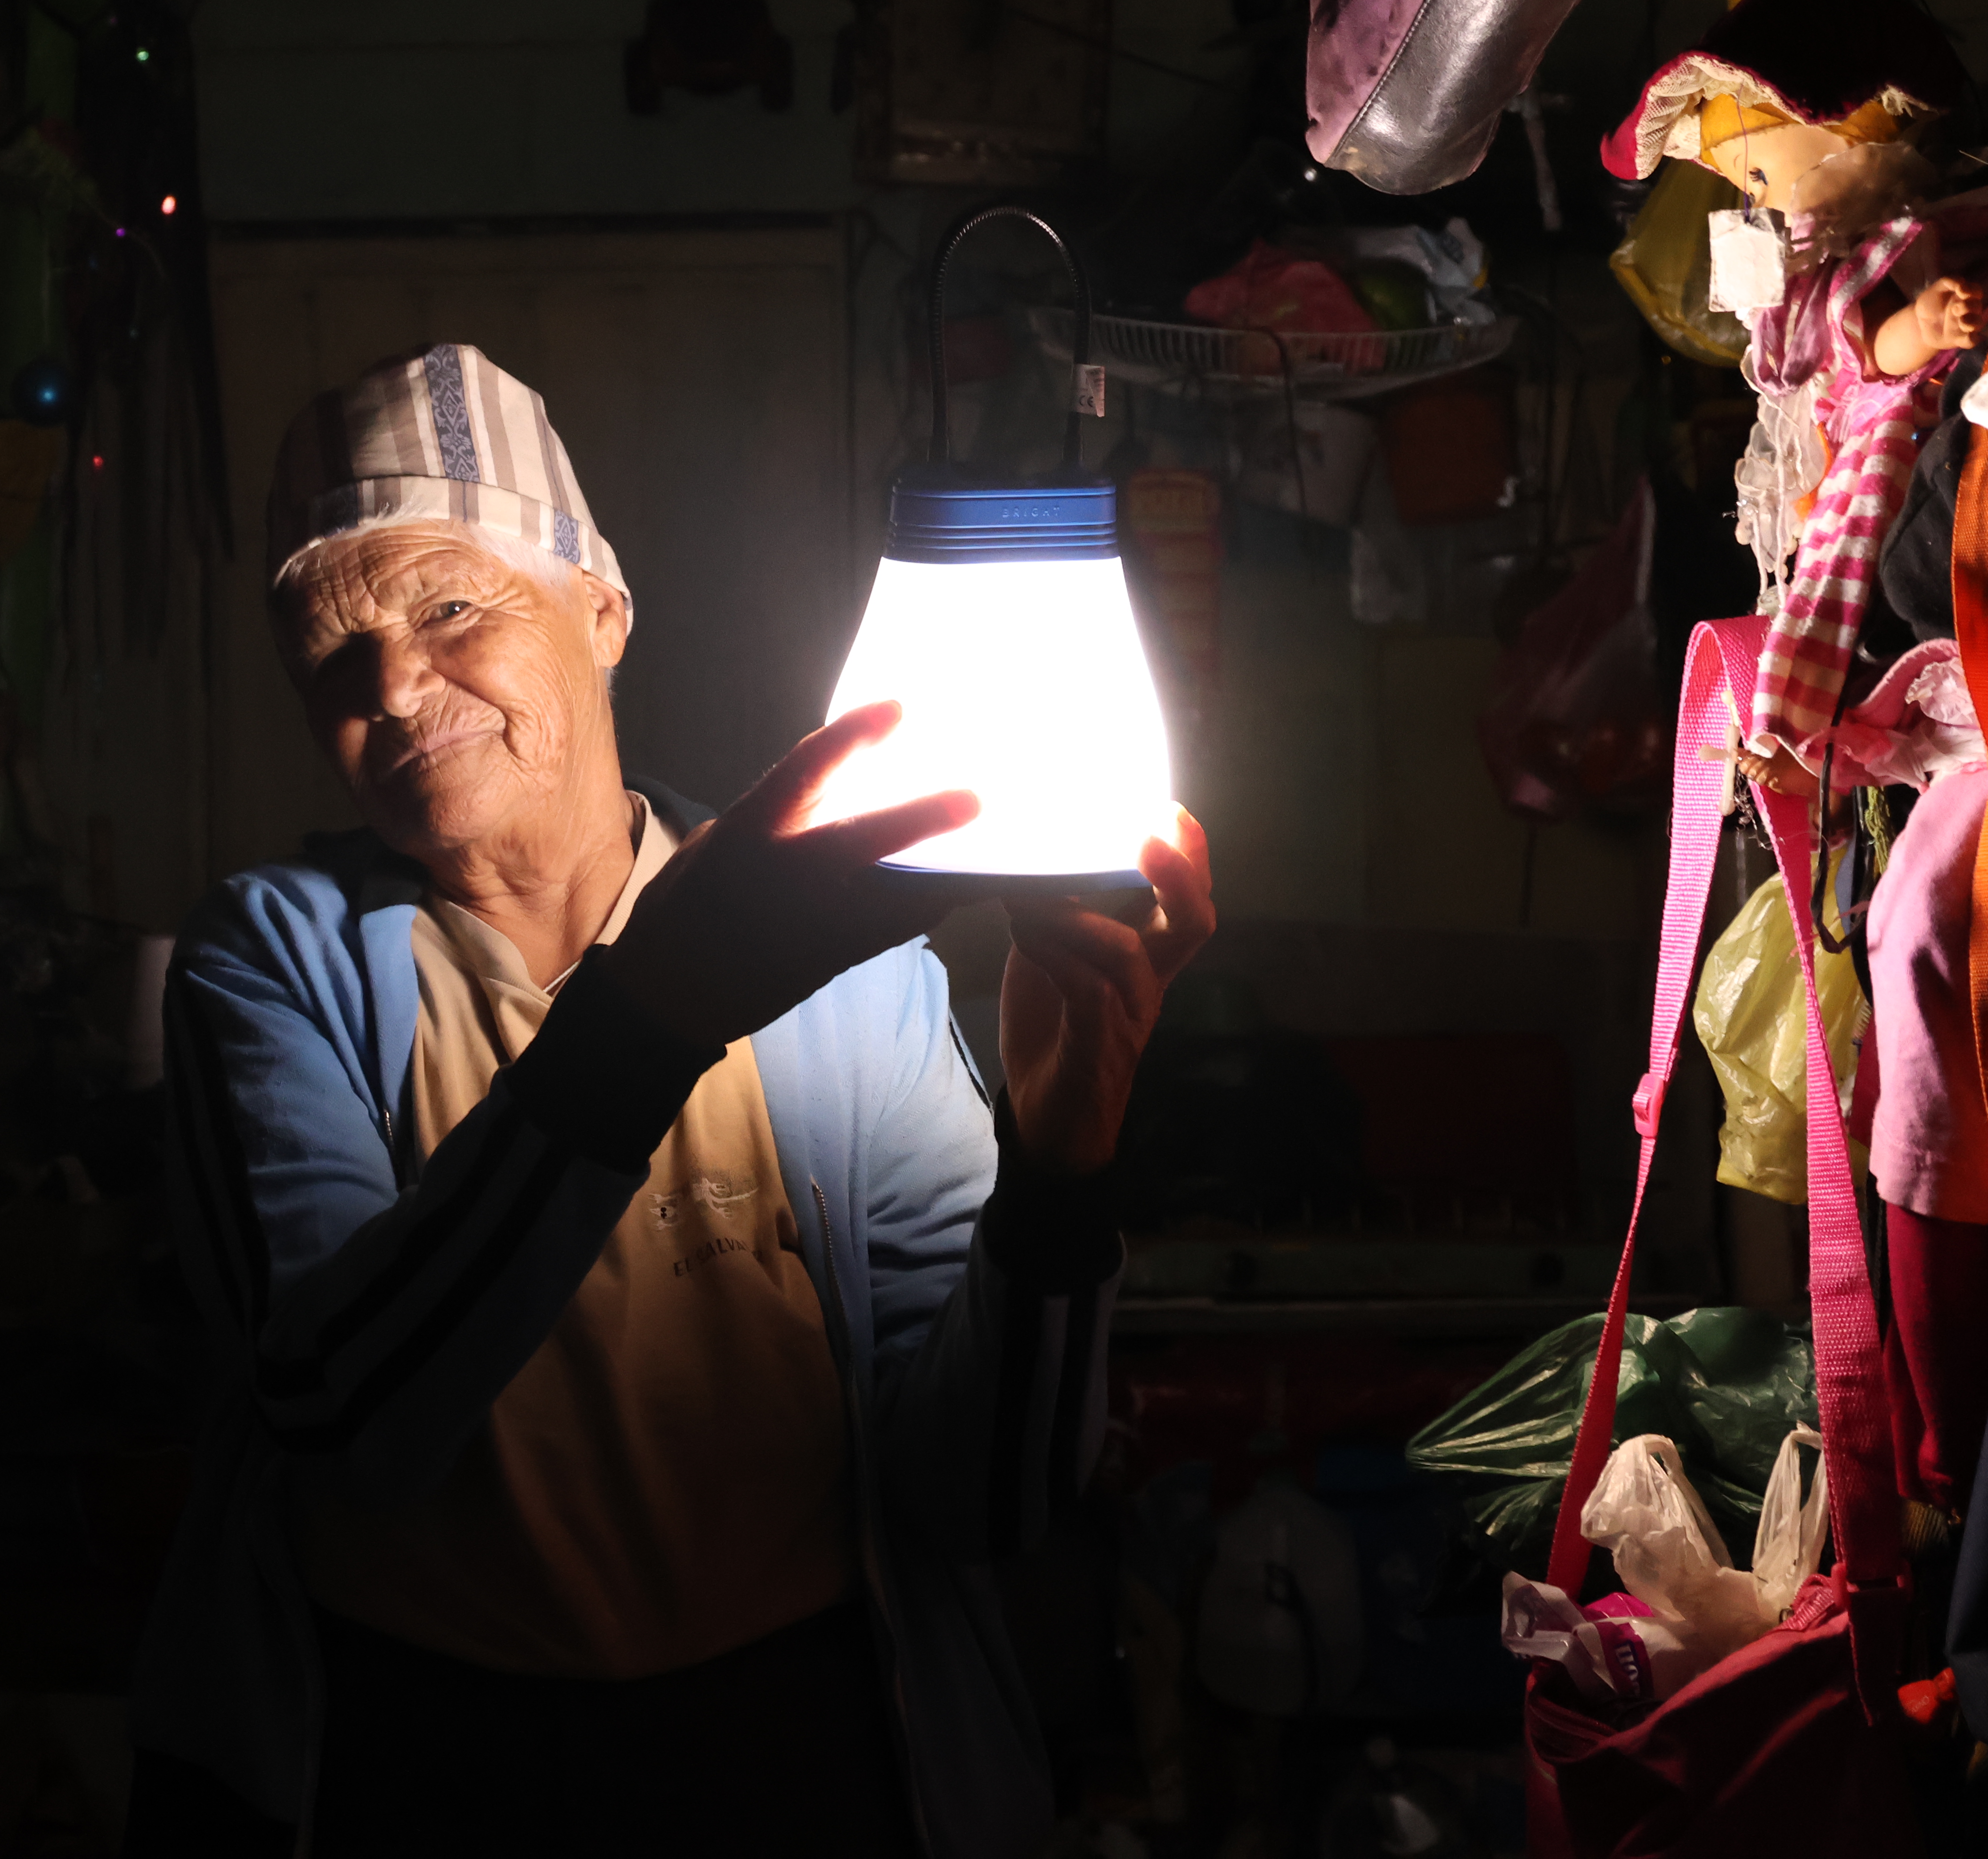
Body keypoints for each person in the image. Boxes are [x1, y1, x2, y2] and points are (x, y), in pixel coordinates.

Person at [125, 346, 1215, 1857]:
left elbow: (980, 1504)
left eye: (449, 608)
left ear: (602, 608)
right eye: (330, 657)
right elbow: (339, 1417)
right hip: (418, 1764)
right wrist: (661, 1009)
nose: (390, 686)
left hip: (788, 1753)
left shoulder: (837, 967)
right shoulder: (277, 954)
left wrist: (1061, 1166)